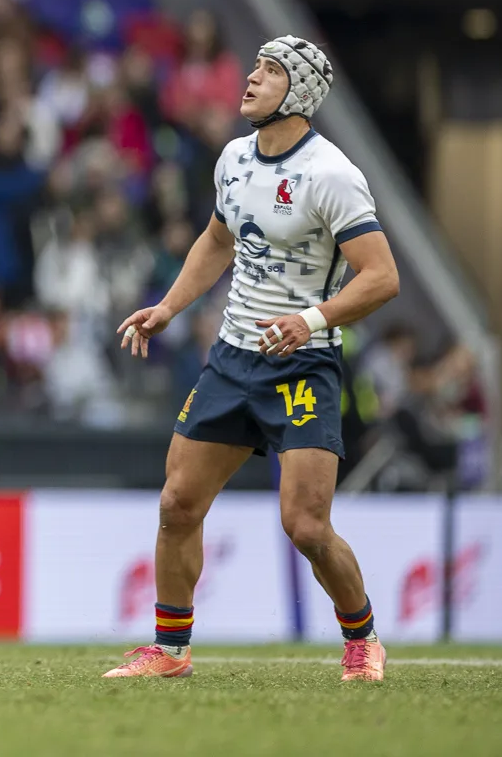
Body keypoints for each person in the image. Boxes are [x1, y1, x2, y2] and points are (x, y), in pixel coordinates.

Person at [104, 36, 398, 683]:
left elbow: (381, 277)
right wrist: (169, 307)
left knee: (306, 525)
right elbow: (216, 241)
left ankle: (363, 638)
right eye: (256, 66)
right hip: (233, 358)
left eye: (269, 72)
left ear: (299, 93)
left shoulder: (332, 174)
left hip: (304, 366)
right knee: (177, 502)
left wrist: (310, 320)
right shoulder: (234, 157)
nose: (251, 77)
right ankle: (171, 650)